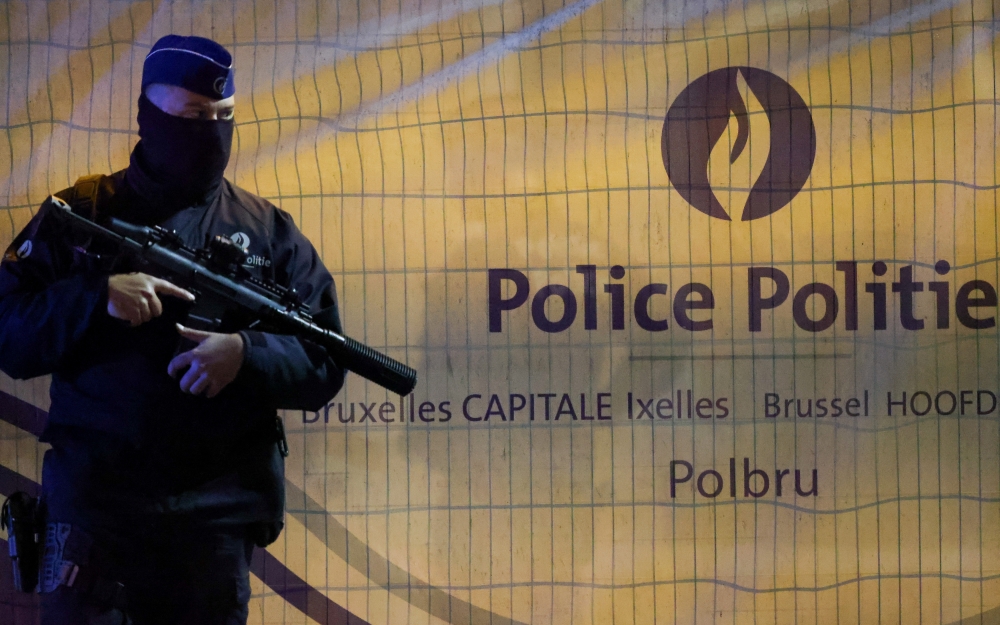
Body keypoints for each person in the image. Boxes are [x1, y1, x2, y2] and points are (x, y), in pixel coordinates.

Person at [0, 35, 345, 624]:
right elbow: (9, 333)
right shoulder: (80, 217)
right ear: (148, 115)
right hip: (95, 513)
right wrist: (94, 297)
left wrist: (247, 353)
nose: (208, 131)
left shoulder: (268, 234)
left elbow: (326, 360)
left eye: (221, 117)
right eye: (190, 116)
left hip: (213, 518)